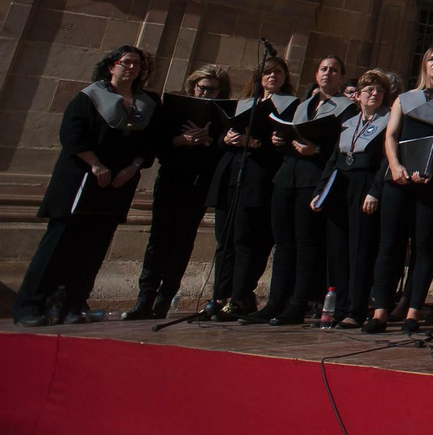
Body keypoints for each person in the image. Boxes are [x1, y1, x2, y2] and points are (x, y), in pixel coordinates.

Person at [14, 46, 160, 326]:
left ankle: (74, 305)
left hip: (118, 183)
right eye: (126, 62)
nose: (132, 68)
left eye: (138, 64)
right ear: (111, 66)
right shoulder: (89, 97)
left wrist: (133, 167)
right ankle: (30, 305)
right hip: (81, 181)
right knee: (58, 245)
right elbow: (72, 134)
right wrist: (95, 164)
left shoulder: (148, 103)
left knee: (94, 248)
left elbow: (151, 141)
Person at [365, 45, 433, 334]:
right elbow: (391, 135)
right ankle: (380, 312)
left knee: (424, 246)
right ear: (424, 65)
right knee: (388, 245)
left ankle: (412, 313)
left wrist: (431, 165)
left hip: (430, 179)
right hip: (397, 178)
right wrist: (395, 166)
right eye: (431, 58)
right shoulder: (404, 99)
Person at [249, 55, 354, 325]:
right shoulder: (303, 104)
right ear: (316, 74)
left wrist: (317, 150)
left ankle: (297, 304)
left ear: (341, 77)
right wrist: (279, 139)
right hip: (287, 176)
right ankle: (275, 302)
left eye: (334, 70)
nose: (328, 73)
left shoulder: (347, 108)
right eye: (323, 69)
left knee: (306, 243)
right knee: (283, 243)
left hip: (314, 177)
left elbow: (343, 148)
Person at [124, 64, 231, 320]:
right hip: (171, 179)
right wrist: (180, 140)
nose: (206, 93)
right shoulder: (173, 110)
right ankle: (145, 297)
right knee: (158, 239)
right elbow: (156, 145)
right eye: (202, 88)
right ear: (193, 86)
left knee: (183, 241)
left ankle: (165, 298)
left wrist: (208, 141)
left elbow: (224, 154)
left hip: (199, 183)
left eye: (212, 90)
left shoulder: (224, 114)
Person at [213, 55, 297, 321]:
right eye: (268, 72)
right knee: (224, 239)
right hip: (232, 176)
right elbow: (221, 141)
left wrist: (256, 143)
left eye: (278, 73)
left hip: (259, 178)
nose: (273, 77)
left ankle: (239, 297)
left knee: (246, 239)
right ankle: (219, 296)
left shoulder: (290, 106)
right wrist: (227, 138)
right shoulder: (245, 103)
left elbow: (284, 145)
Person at [323, 70, 391, 328]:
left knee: (360, 249)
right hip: (341, 184)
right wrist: (320, 191)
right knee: (338, 249)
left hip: (366, 184)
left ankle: (356, 309)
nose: (374, 94)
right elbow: (334, 159)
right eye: (369, 89)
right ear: (358, 95)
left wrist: (375, 190)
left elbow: (385, 160)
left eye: (380, 90)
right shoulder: (349, 121)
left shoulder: (388, 119)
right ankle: (338, 307)